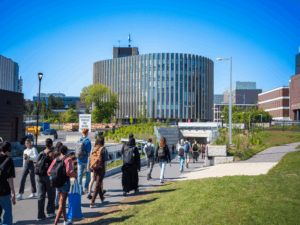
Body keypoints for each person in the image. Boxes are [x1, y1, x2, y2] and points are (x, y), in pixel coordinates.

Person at [48, 145, 77, 225]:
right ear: (66, 151)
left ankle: (65, 221)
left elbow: (49, 171)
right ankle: (55, 223)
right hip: (65, 183)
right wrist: (75, 176)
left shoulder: (56, 159)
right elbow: (69, 172)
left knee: (62, 202)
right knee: (61, 204)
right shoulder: (68, 159)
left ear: (60, 152)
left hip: (57, 183)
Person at [36, 138, 56, 221]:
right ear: (51, 144)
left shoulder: (41, 153)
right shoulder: (51, 154)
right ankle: (50, 212)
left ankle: (40, 215)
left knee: (41, 196)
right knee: (51, 194)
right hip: (48, 176)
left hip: (40, 176)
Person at [89, 137, 108, 208]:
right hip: (101, 168)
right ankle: (92, 202)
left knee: (98, 183)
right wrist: (105, 169)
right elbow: (105, 161)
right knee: (97, 184)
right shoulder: (103, 149)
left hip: (94, 168)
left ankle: (102, 199)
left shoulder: (94, 148)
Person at [0, 142, 16, 225]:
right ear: (9, 149)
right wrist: (13, 193)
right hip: (4, 190)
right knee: (7, 215)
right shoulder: (9, 160)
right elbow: (10, 179)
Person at [77, 128, 91, 195]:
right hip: (85, 160)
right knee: (88, 174)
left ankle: (80, 188)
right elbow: (89, 153)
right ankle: (86, 187)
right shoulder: (88, 141)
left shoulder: (78, 140)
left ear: (82, 133)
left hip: (79, 160)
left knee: (80, 175)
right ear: (87, 133)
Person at [53, 142, 63, 210]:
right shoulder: (60, 154)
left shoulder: (53, 153)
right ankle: (57, 203)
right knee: (59, 190)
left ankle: (56, 202)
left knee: (55, 189)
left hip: (53, 172)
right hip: (59, 173)